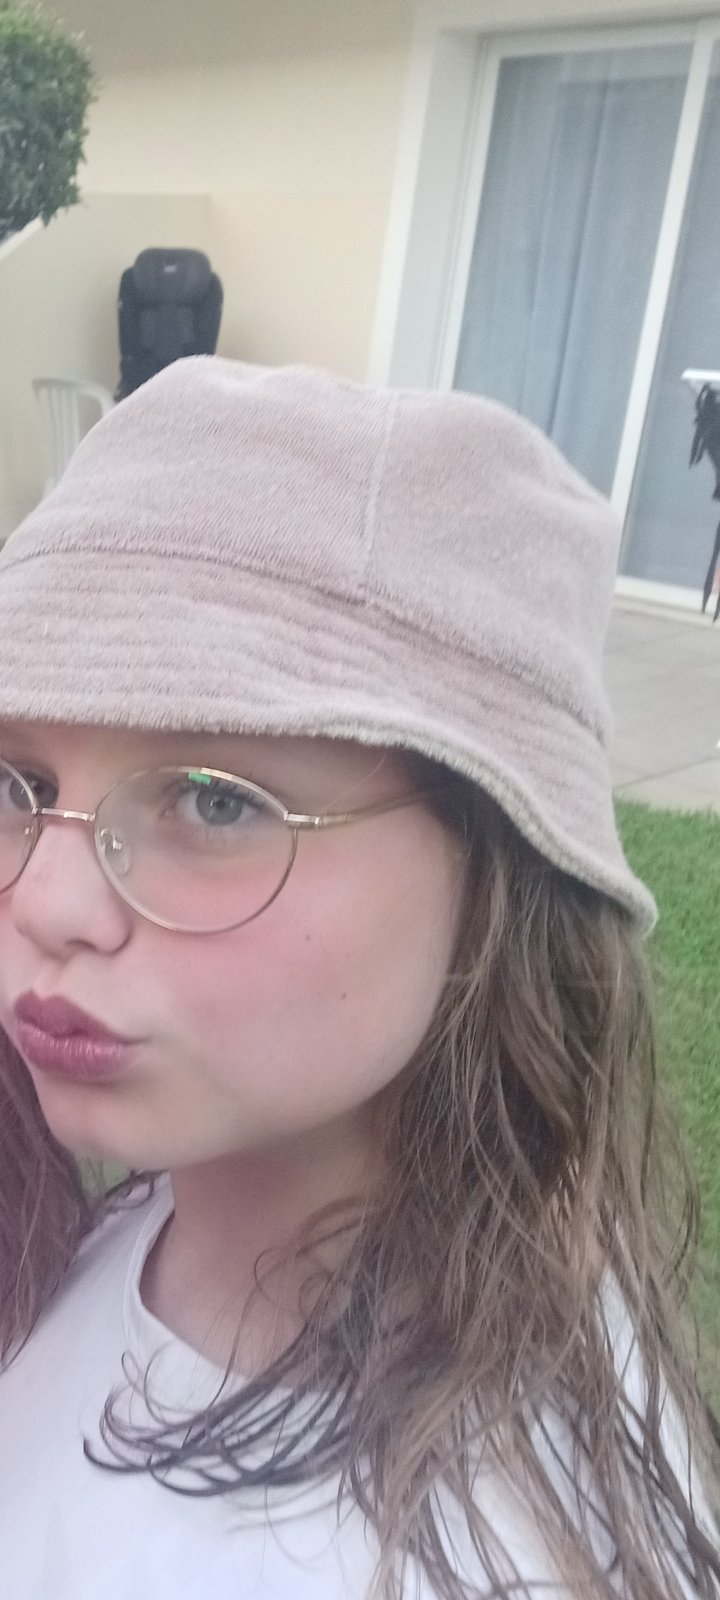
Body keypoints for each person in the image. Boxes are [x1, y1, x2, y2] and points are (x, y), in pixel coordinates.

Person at [0, 357, 717, 1600]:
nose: (44, 902)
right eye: (21, 784)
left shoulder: (484, 1555)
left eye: (215, 799)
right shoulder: (153, 1221)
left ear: (496, 869)